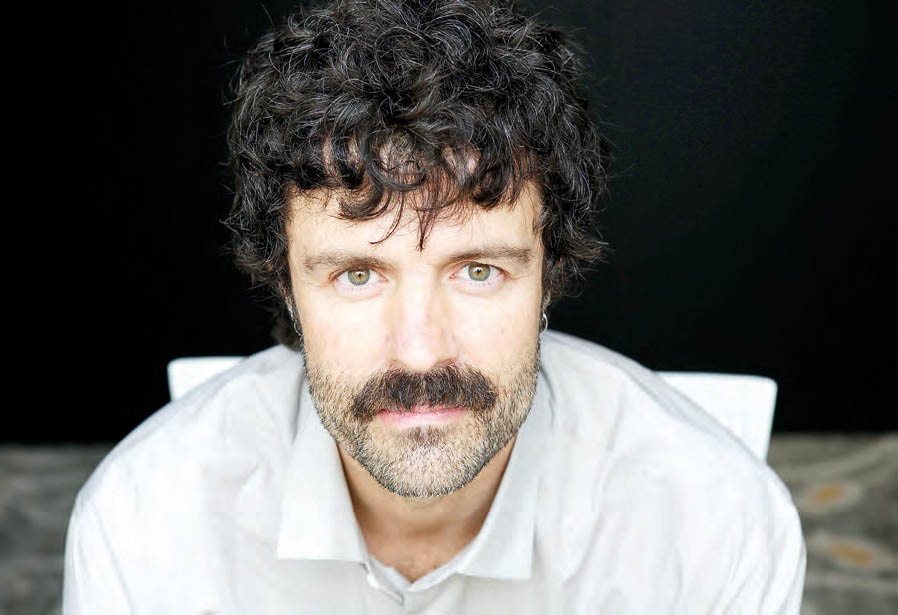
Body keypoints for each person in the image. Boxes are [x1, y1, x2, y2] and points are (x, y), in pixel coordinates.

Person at [63, 0, 806, 612]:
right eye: (358, 275)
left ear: (549, 277)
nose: (420, 350)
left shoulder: (715, 529)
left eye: (478, 271)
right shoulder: (143, 529)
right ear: (285, 284)